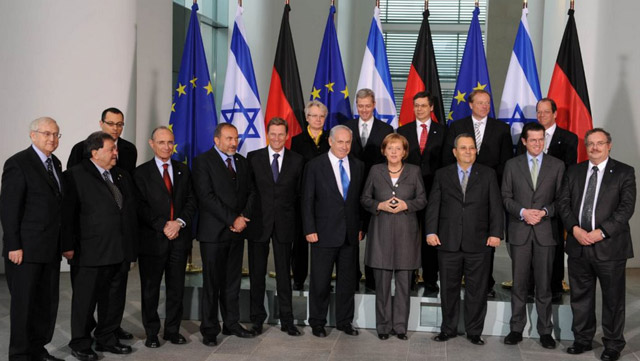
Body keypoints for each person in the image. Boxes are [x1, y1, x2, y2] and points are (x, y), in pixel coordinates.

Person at [558, 128, 636, 361]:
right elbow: (563, 203)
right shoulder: (574, 171)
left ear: (609, 145)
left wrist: (601, 233)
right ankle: (582, 339)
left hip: (610, 247)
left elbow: (626, 208)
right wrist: (575, 229)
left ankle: (613, 344)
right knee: (581, 297)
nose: (594, 148)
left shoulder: (624, 172)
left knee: (613, 299)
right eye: (590, 143)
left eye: (600, 143)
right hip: (578, 244)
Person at [62, 132, 138, 361]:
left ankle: (107, 338)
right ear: (95, 152)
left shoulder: (121, 175)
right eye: (111, 149)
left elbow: (128, 212)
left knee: (114, 299)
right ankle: (81, 343)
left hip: (119, 250)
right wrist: (67, 246)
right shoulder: (74, 175)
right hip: (89, 252)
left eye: (116, 149)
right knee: (85, 301)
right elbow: (67, 214)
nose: (116, 153)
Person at [426, 133, 503, 346]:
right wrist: (430, 231)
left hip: (479, 243)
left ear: (476, 151)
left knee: (477, 290)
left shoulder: (487, 174)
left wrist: (496, 233)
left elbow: (495, 205)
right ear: (454, 152)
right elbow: (434, 205)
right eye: (463, 148)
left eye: (471, 148)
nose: (468, 151)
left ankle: (474, 331)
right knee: (448, 289)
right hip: (448, 242)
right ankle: (448, 329)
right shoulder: (442, 174)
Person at [1, 117, 67, 361]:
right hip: (25, 251)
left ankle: (38, 349)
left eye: (56, 134)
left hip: (50, 249)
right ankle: (19, 355)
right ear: (33, 135)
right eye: (46, 133)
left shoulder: (56, 163)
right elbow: (9, 210)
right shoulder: (18, 163)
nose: (51, 139)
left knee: (45, 304)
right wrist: (14, 245)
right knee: (24, 305)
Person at [193, 123, 259, 346]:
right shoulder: (203, 162)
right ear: (216, 140)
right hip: (214, 233)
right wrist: (233, 219)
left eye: (236, 138)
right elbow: (206, 196)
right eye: (229, 139)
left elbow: (251, 192)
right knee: (212, 283)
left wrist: (243, 219)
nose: (233, 143)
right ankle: (210, 329)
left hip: (237, 233)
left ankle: (231, 323)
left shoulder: (242, 161)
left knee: (233, 282)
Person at [501, 122, 565, 349]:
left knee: (544, 285)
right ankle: (516, 328)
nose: (538, 144)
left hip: (546, 233)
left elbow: (562, 200)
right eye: (533, 140)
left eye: (541, 139)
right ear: (525, 142)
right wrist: (522, 212)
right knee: (519, 284)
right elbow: (506, 197)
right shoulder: (512, 165)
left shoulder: (557, 166)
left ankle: (545, 331)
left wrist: (545, 212)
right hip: (520, 232)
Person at [444, 89, 512, 298]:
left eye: (487, 103)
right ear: (471, 104)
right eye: (480, 103)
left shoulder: (501, 128)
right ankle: (460, 279)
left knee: (485, 240)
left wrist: (497, 191)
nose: (484, 106)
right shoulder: (457, 126)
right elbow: (449, 157)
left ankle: (486, 283)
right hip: (461, 190)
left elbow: (505, 162)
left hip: (488, 190)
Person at [133, 126, 197, 348]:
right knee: (150, 289)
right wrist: (163, 226)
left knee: (176, 288)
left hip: (179, 238)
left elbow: (191, 200)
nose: (167, 147)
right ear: (152, 144)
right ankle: (151, 332)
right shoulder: (140, 173)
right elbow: (140, 207)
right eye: (161, 142)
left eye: (170, 142)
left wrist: (178, 223)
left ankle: (172, 330)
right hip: (152, 241)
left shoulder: (183, 170)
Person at [360, 133, 426, 340]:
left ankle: (400, 328)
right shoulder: (375, 170)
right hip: (381, 234)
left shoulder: (414, 171)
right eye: (390, 148)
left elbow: (423, 199)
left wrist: (407, 205)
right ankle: (383, 327)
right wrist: (379, 205)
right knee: (382, 285)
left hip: (407, 235)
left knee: (404, 286)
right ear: (384, 151)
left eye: (398, 148)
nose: (394, 152)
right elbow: (364, 198)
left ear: (405, 152)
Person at [302, 125, 365, 338]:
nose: (344, 146)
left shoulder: (358, 165)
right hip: (322, 233)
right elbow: (307, 200)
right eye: (340, 142)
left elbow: (359, 201)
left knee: (347, 282)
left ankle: (344, 322)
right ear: (330, 141)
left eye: (348, 142)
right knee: (320, 281)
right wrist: (309, 228)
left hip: (349, 234)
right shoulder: (314, 166)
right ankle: (317, 322)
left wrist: (360, 227)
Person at [515, 98, 578, 300]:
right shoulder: (525, 136)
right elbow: (519, 168)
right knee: (527, 250)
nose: (541, 116)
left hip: (554, 204)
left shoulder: (568, 138)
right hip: (527, 205)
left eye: (546, 112)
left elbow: (568, 173)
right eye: (538, 112)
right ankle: (529, 286)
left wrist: (550, 207)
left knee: (554, 246)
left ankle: (555, 286)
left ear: (555, 113)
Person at [247, 117, 304, 336]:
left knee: (283, 275)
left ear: (287, 135)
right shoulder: (253, 158)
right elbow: (249, 192)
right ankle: (257, 320)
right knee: (257, 274)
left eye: (281, 134)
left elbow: (300, 195)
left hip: (285, 225)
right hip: (258, 225)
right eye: (273, 134)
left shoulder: (297, 160)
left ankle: (287, 321)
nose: (277, 138)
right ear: (267, 134)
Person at [397, 91, 446, 294]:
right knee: (408, 237)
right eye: (416, 105)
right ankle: (407, 277)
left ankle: (430, 279)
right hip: (409, 193)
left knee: (430, 237)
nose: (419, 109)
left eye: (423, 105)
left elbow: (446, 164)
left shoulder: (443, 131)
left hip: (434, 193)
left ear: (431, 107)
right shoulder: (403, 130)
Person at [344, 88, 394, 290]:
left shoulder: (386, 129)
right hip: (351, 189)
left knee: (375, 237)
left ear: (374, 105)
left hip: (377, 190)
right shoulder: (346, 127)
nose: (364, 109)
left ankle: (373, 280)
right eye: (360, 106)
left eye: (368, 105)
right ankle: (352, 277)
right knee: (351, 235)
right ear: (357, 106)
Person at [290, 100, 331, 290]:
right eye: (314, 115)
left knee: (324, 242)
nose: (318, 119)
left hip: (325, 199)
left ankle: (322, 280)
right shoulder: (297, 141)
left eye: (321, 116)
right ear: (307, 118)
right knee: (299, 240)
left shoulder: (331, 139)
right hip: (302, 197)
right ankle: (298, 278)